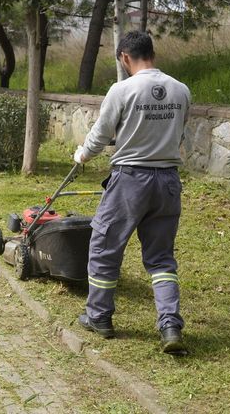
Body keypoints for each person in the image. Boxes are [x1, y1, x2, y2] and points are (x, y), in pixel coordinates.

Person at [73, 30, 192, 355]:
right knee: (161, 258)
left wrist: (83, 154)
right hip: (167, 182)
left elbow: (101, 133)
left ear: (125, 57)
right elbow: (180, 133)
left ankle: (99, 317)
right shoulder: (181, 90)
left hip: (130, 181)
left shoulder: (122, 89)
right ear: (150, 53)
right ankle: (170, 326)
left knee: (105, 246)